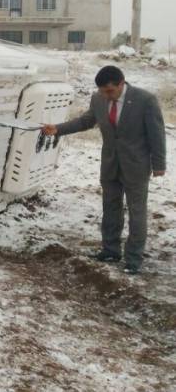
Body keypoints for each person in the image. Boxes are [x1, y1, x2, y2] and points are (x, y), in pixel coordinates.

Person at [42, 66, 166, 274]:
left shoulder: (146, 100)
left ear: (121, 83)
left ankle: (133, 259)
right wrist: (58, 129)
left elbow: (157, 133)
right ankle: (110, 250)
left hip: (136, 165)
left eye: (110, 91)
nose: (106, 96)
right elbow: (86, 121)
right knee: (110, 207)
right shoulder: (98, 98)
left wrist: (159, 164)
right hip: (110, 164)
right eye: (102, 91)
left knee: (137, 212)